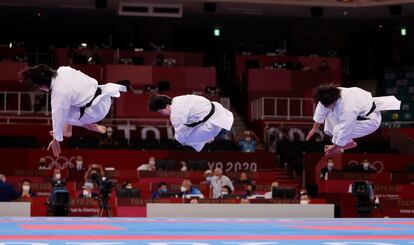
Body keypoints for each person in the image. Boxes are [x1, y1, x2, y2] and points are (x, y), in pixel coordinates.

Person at [20, 64, 126, 157]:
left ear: (41, 85)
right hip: (104, 96)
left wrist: (56, 139)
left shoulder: (59, 93)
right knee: (67, 105)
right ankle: (83, 125)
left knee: (62, 113)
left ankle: (86, 126)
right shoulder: (63, 69)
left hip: (97, 111)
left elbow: (58, 117)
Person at [306, 84, 401, 155]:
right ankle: (348, 142)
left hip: (370, 121)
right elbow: (322, 108)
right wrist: (314, 128)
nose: (328, 107)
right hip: (361, 113)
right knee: (330, 115)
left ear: (334, 101)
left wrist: (334, 148)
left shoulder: (348, 107)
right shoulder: (331, 92)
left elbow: (345, 130)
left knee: (337, 130)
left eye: (331, 105)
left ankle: (347, 143)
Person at [148, 94, 234, 152]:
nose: (163, 114)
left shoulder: (176, 114)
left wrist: (182, 141)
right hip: (219, 111)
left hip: (212, 125)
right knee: (189, 124)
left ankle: (207, 138)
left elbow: (181, 136)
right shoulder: (178, 99)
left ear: (167, 106)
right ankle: (207, 138)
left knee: (183, 139)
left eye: (162, 112)